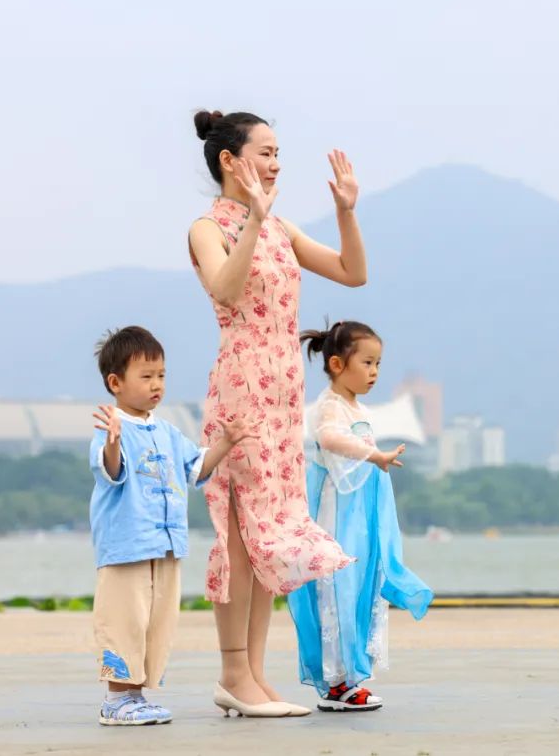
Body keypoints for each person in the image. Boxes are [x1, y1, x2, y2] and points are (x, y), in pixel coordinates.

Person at [187, 110, 369, 718]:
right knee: (238, 534)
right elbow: (227, 291)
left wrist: (346, 209)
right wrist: (255, 219)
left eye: (277, 152)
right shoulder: (207, 228)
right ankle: (233, 672)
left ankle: (257, 678)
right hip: (241, 387)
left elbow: (352, 273)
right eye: (265, 152)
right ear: (229, 162)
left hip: (284, 391)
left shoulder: (282, 228)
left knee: (270, 536)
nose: (275, 162)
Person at [89, 326, 255, 726]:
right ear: (115, 382)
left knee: (157, 621)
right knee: (124, 618)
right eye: (145, 376)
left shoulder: (166, 430)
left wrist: (226, 443)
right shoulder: (110, 427)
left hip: (166, 546)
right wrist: (113, 440)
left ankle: (138, 696)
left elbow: (196, 467)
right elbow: (111, 470)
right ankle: (116, 699)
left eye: (161, 375)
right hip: (127, 546)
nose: (156, 384)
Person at [288, 321, 433, 711]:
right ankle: (337, 683)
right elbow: (329, 438)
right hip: (336, 520)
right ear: (337, 364)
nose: (374, 372)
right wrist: (375, 455)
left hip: (358, 519)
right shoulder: (330, 406)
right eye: (367, 362)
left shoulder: (355, 406)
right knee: (337, 589)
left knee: (359, 589)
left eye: (378, 364)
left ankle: (350, 677)